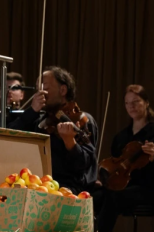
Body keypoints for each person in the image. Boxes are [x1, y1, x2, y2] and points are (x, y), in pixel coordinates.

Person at [94, 85, 154, 232]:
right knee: (94, 197)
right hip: (122, 187)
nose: (131, 106)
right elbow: (114, 167)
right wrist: (103, 180)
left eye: (136, 102)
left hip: (147, 190)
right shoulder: (121, 137)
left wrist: (152, 158)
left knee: (113, 197)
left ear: (146, 103)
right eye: (127, 103)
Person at [8, 66, 98, 194]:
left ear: (63, 90)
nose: (40, 93)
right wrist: (32, 111)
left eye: (44, 87)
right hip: (39, 187)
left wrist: (70, 142)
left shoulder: (82, 119)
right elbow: (10, 136)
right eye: (38, 89)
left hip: (68, 191)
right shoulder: (40, 121)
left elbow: (85, 165)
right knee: (0, 198)